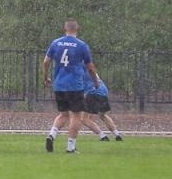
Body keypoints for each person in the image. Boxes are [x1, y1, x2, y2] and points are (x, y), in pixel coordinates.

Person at [43, 19, 99, 154]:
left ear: (65, 29)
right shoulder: (81, 45)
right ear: (77, 29)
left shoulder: (56, 43)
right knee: (75, 116)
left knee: (63, 114)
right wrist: (95, 80)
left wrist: (45, 77)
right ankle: (71, 147)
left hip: (59, 84)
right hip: (75, 85)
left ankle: (52, 135)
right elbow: (90, 67)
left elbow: (46, 61)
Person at [83, 73, 123, 141]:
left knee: (84, 119)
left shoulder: (78, 70)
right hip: (103, 91)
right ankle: (117, 134)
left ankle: (103, 136)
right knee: (103, 115)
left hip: (92, 93)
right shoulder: (90, 68)